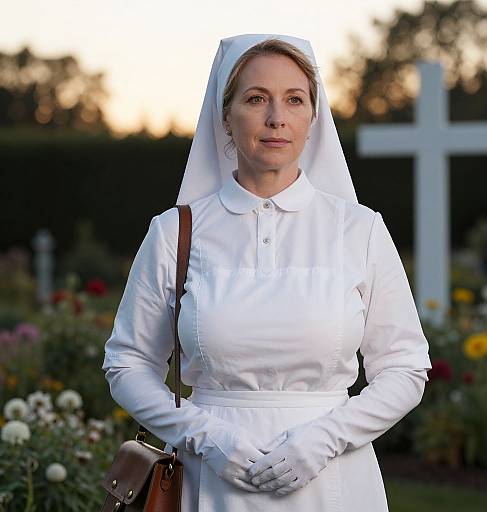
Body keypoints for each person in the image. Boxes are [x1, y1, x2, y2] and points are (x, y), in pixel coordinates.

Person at [102, 33, 432, 511]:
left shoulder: (359, 229)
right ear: (225, 116)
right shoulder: (176, 232)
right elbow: (127, 362)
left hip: (335, 477)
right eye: (256, 99)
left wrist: (328, 438)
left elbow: (405, 366)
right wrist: (206, 437)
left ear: (312, 117)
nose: (277, 117)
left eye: (294, 99)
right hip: (208, 478)